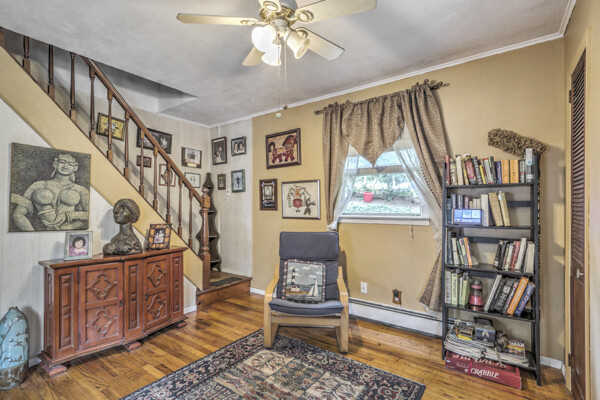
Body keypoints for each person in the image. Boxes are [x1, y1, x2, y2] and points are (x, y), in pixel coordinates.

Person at [11, 153, 89, 231]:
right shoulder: (37, 185)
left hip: (68, 230)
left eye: (70, 164)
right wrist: (31, 232)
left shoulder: (81, 190)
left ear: (75, 168)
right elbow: (18, 214)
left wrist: (68, 216)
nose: (65, 166)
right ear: (55, 164)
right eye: (62, 162)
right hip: (40, 230)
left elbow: (90, 215)